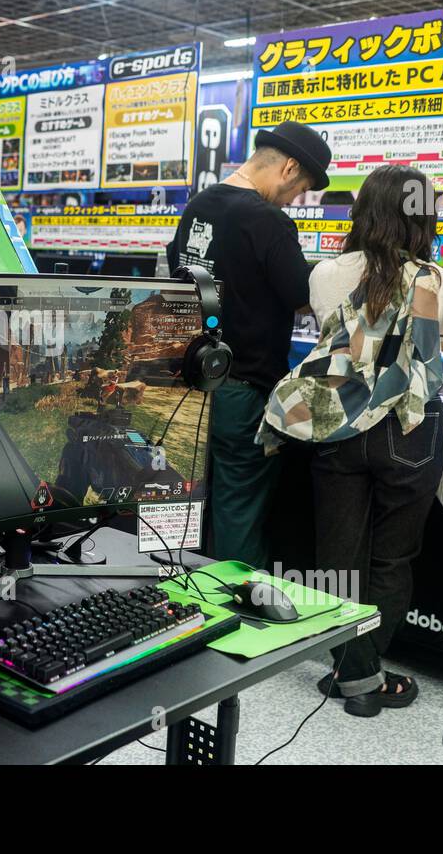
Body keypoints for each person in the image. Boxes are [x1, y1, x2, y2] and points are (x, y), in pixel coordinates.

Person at [304, 165, 443, 717]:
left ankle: (350, 669)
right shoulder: (432, 278)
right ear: (422, 217)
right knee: (392, 559)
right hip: (409, 431)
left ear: (361, 212)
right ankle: (362, 675)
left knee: (338, 553)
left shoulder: (325, 273)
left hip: (339, 424)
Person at [169, 120, 332, 566]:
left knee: (197, 508)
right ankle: (241, 616)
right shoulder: (268, 221)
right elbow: (303, 297)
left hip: (193, 385)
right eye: (299, 189)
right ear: (289, 168)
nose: (293, 200)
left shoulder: (197, 207)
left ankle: (193, 605)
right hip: (245, 393)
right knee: (239, 509)